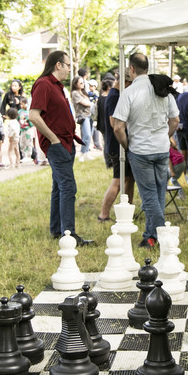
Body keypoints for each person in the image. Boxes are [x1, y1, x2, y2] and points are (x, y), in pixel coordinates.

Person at [111, 53, 179, 248]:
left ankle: (164, 235)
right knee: (158, 193)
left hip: (140, 149)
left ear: (131, 69)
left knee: (149, 195)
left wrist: (127, 146)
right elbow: (175, 120)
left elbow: (117, 127)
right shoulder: (161, 88)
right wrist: (165, 136)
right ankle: (150, 236)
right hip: (161, 148)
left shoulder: (129, 92)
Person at [29, 50, 93, 245]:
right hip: (57, 144)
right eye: (67, 65)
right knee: (68, 187)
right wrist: (53, 139)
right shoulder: (44, 84)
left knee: (58, 187)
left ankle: (57, 230)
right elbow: (33, 115)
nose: (68, 70)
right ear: (58, 65)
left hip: (66, 142)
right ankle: (69, 234)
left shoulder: (57, 86)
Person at [98, 76, 135, 223]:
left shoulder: (116, 94)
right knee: (119, 181)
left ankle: (129, 211)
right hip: (117, 145)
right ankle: (104, 215)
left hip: (122, 143)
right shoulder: (114, 96)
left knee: (129, 180)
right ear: (126, 82)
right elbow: (114, 123)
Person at [70, 75, 94, 158]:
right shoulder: (75, 93)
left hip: (89, 115)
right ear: (75, 84)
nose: (82, 84)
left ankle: (86, 152)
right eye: (80, 83)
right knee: (86, 135)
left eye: (83, 82)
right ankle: (83, 153)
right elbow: (85, 103)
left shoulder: (83, 92)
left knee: (89, 135)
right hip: (83, 116)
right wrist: (93, 104)